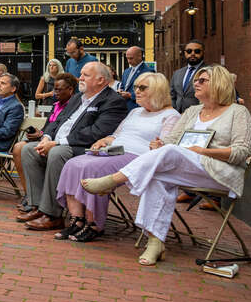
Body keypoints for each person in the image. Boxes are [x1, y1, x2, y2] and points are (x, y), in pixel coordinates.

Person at [81, 65, 251, 266]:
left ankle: (113, 181)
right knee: (157, 174)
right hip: (187, 167)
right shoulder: (192, 111)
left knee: (168, 154)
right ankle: (155, 243)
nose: (195, 84)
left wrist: (203, 152)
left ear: (219, 84)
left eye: (202, 81)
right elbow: (172, 140)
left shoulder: (238, 112)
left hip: (219, 171)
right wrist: (160, 144)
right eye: (196, 80)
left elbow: (241, 152)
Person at [54, 73, 180, 242]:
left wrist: (159, 144)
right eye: (136, 87)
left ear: (158, 90)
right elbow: (115, 135)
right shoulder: (135, 111)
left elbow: (165, 146)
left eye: (142, 88)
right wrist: (103, 141)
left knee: (92, 169)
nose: (137, 91)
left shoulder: (171, 115)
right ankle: (77, 220)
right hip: (115, 150)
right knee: (73, 164)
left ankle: (94, 224)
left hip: (138, 156)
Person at [18, 62, 128, 230]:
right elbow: (58, 121)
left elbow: (96, 132)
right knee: (28, 149)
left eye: (85, 75)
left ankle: (52, 214)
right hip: (58, 143)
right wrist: (46, 137)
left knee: (57, 153)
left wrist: (57, 142)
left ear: (101, 80)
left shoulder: (113, 101)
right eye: (81, 74)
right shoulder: (77, 98)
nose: (80, 78)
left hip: (84, 148)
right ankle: (38, 206)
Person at [14, 72, 78, 212]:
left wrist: (45, 136)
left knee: (24, 149)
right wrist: (41, 133)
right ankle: (30, 195)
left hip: (60, 144)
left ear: (71, 90)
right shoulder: (56, 105)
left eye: (59, 89)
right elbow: (50, 126)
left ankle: (39, 200)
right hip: (46, 138)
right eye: (54, 89)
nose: (55, 92)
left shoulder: (73, 106)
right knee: (19, 147)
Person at [170, 40, 205, 113]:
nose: (193, 54)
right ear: (185, 53)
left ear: (203, 52)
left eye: (197, 51)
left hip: (199, 115)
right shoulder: (177, 73)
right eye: (189, 51)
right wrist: (173, 112)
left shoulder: (209, 72)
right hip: (178, 116)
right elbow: (172, 96)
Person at [118, 46, 152, 110]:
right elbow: (122, 86)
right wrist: (120, 91)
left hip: (138, 108)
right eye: (127, 58)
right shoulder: (126, 71)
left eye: (131, 58)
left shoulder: (147, 71)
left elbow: (149, 91)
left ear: (139, 56)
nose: (129, 61)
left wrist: (130, 95)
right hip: (124, 108)